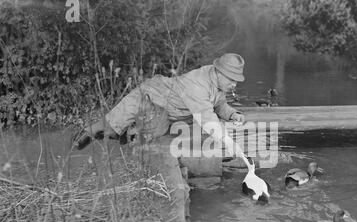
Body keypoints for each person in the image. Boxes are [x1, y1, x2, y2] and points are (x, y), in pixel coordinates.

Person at [73, 53, 247, 159]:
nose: (234, 84)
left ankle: (124, 137)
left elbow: (219, 105)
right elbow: (207, 119)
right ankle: (75, 146)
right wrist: (230, 143)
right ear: (219, 73)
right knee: (110, 126)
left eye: (236, 80)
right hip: (149, 96)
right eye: (232, 79)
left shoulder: (217, 82)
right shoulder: (198, 84)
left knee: (145, 135)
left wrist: (232, 114)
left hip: (166, 110)